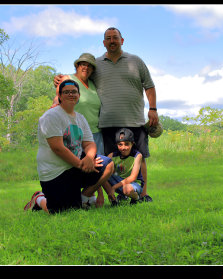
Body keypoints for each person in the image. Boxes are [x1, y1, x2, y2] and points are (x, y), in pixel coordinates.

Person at [55, 27, 158, 202]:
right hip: (108, 123)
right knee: (111, 162)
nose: (112, 41)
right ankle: (120, 194)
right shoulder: (96, 64)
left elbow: (149, 85)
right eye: (108, 38)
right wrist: (60, 79)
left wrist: (153, 109)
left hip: (135, 120)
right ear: (104, 43)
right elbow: (80, 77)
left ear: (122, 40)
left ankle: (143, 193)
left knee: (140, 157)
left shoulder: (136, 61)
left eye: (115, 38)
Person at [25, 79, 114, 214]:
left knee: (107, 164)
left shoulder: (80, 118)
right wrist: (81, 164)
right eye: (66, 92)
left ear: (78, 96)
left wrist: (89, 157)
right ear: (59, 96)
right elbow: (57, 148)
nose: (71, 94)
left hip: (75, 168)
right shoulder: (51, 116)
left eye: (74, 92)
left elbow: (89, 143)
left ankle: (84, 197)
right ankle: (39, 198)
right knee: (58, 211)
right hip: (55, 173)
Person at [51, 53, 104, 156]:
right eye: (83, 64)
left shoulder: (93, 84)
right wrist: (55, 103)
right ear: (77, 66)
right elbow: (59, 96)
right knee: (78, 167)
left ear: (93, 70)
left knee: (99, 167)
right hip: (75, 133)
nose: (86, 68)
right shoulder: (67, 79)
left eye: (89, 66)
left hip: (96, 133)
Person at [104, 128, 144, 205]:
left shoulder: (137, 155)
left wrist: (114, 187)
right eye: (120, 144)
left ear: (132, 143)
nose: (123, 148)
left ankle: (137, 198)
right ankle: (113, 201)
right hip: (119, 181)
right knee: (103, 174)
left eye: (127, 144)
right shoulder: (112, 155)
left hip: (133, 183)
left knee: (127, 189)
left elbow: (133, 177)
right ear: (116, 145)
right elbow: (105, 172)